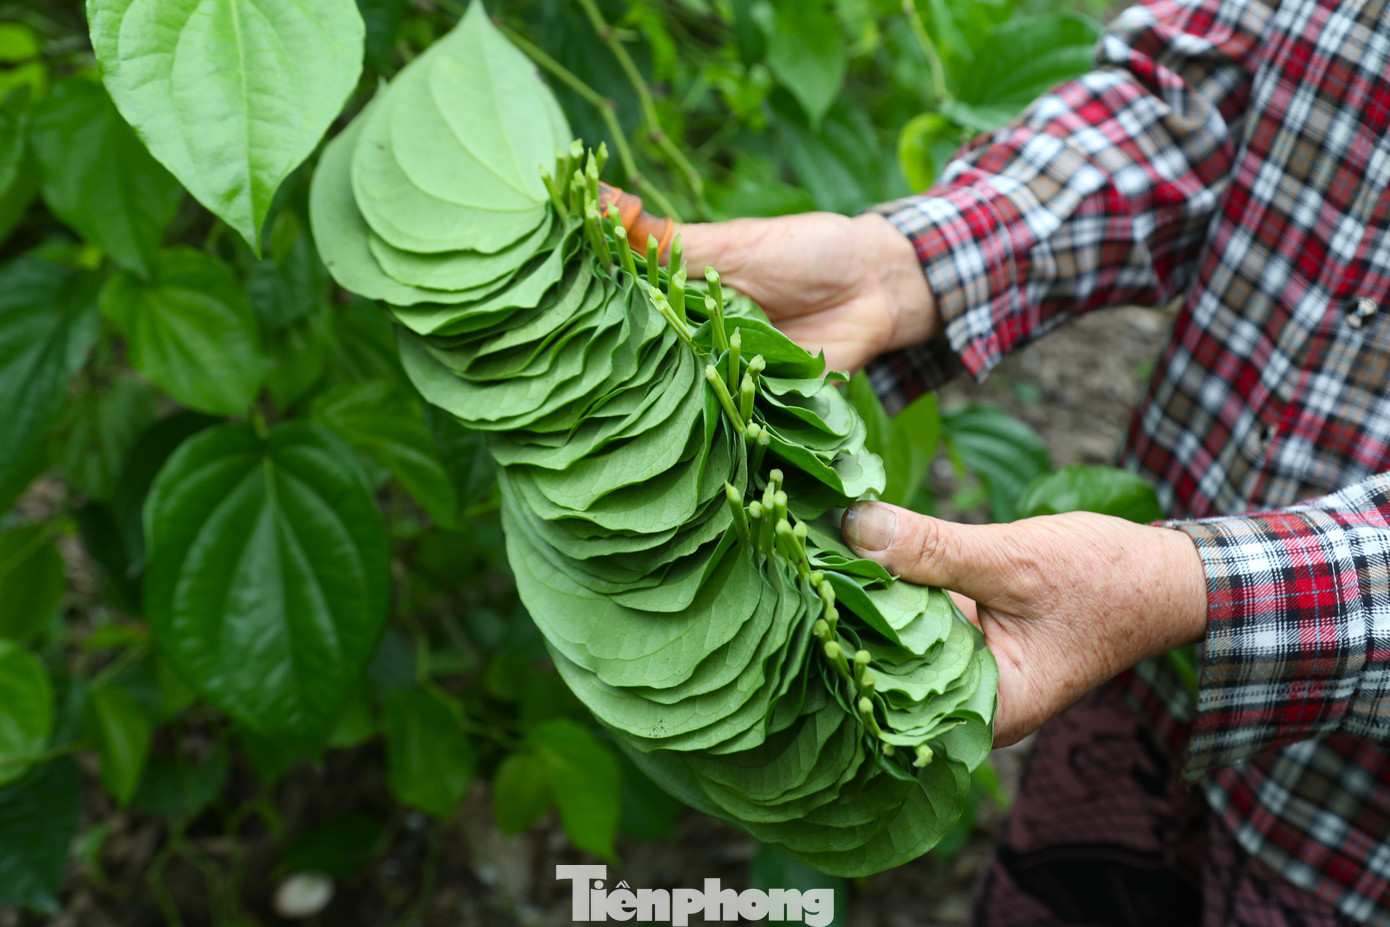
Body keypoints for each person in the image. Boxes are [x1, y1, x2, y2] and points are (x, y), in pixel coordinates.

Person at [664, 0, 1390, 923]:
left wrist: (1195, 586)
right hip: (1139, 677)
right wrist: (909, 263)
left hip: (1350, 841)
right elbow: (1200, 95)